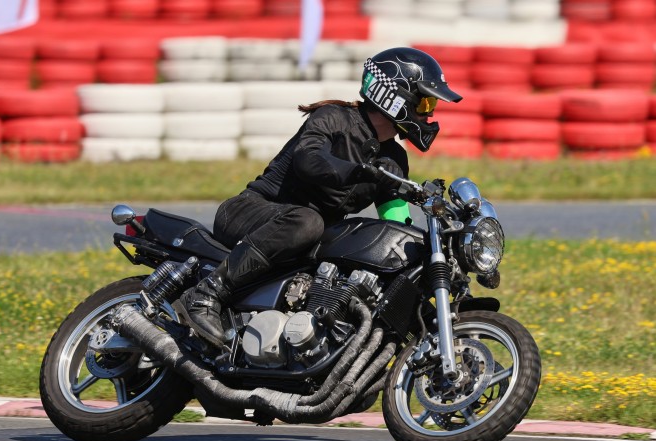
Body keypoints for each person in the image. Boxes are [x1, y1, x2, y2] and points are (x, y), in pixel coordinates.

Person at [183, 46, 463, 348]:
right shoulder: (333, 118)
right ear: (394, 96)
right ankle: (206, 294)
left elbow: (395, 218)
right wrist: (360, 171)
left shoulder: (393, 157)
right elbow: (309, 160)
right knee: (309, 221)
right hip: (251, 213)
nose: (430, 112)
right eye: (424, 102)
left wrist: (423, 255)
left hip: (307, 241)